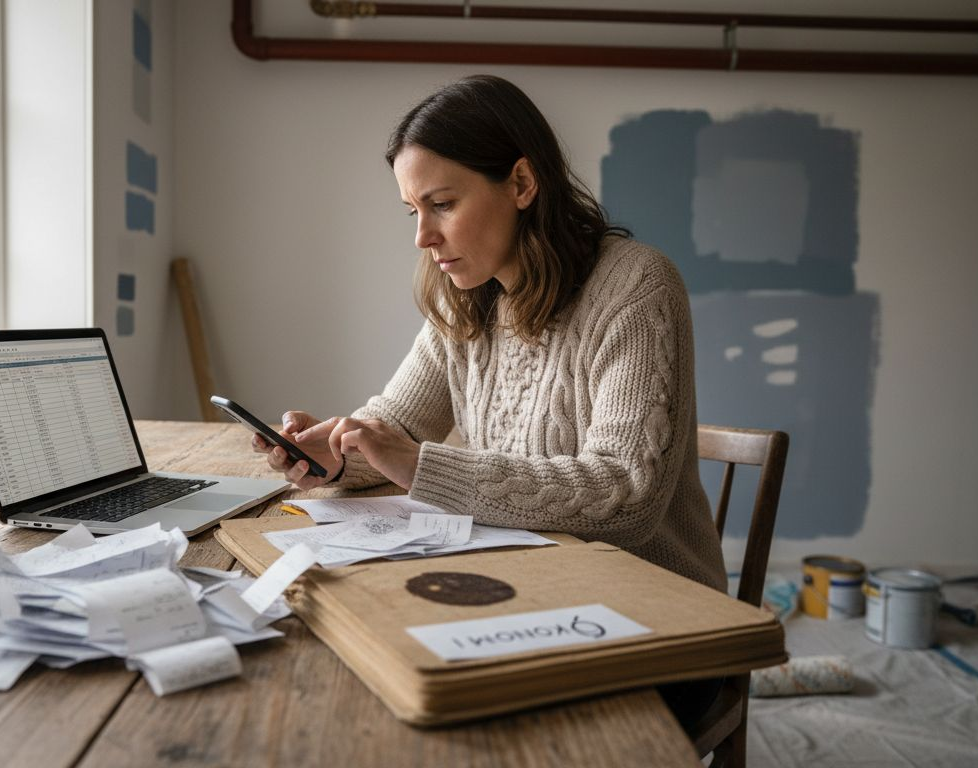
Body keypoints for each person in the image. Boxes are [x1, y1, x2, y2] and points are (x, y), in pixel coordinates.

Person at [251, 75, 726, 728]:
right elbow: (396, 428)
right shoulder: (460, 297)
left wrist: (419, 463)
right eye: (412, 211)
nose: (422, 236)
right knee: (349, 669)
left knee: (431, 711)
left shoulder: (636, 286)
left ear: (523, 184)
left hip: (658, 624)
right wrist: (333, 458)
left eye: (441, 204)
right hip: (521, 594)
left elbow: (626, 495)